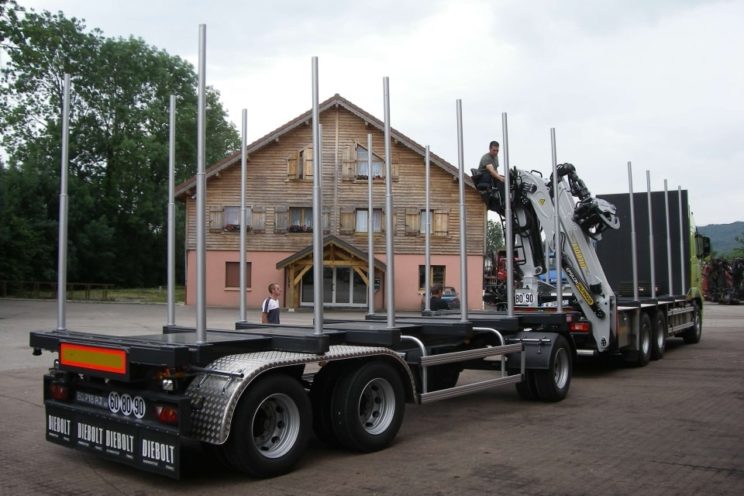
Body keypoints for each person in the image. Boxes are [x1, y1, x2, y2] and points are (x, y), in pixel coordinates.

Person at [475, 140, 506, 213]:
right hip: (484, 177)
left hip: (491, 176)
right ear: (490, 149)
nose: (495, 152)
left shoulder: (496, 157)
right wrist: (500, 178)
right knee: (500, 181)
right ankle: (504, 201)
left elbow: (495, 170)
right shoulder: (486, 158)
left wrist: (502, 177)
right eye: (494, 150)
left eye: (497, 151)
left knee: (506, 179)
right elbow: (491, 171)